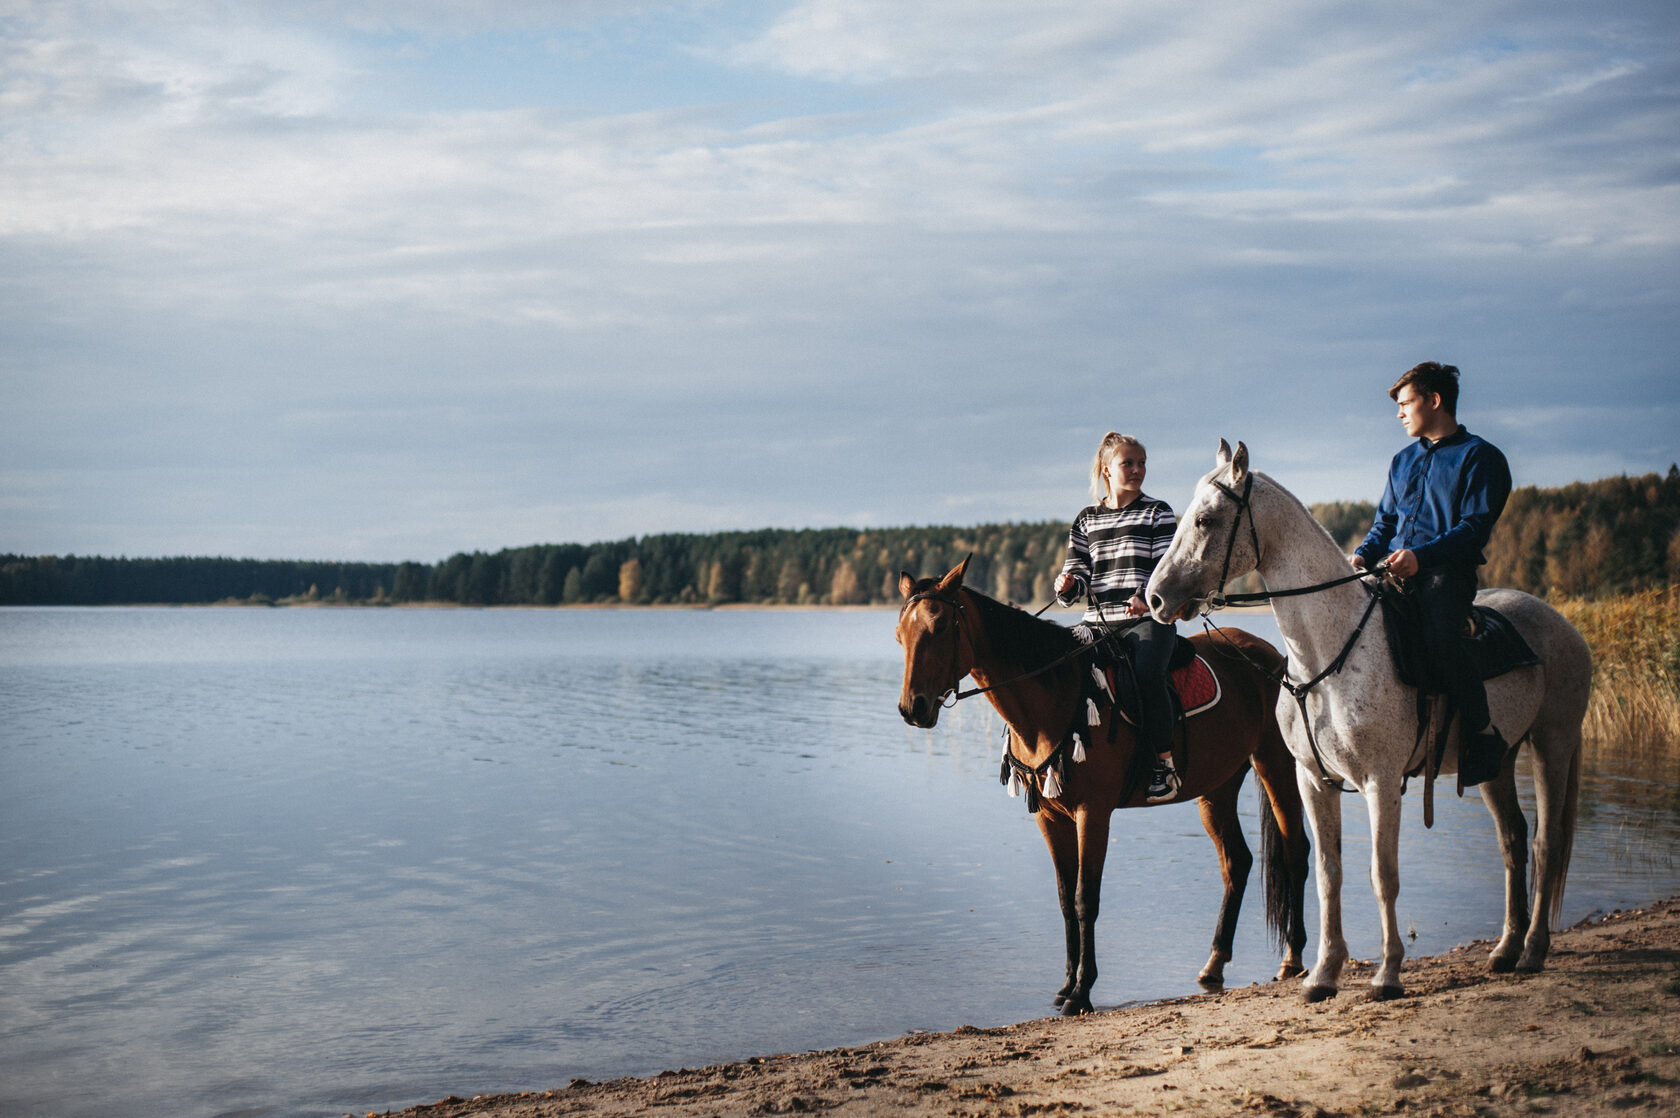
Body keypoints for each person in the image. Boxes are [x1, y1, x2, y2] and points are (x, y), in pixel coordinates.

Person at [1351, 361, 1513, 787]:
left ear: (1435, 401)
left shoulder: (1481, 458)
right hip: (1392, 574)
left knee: (1442, 640)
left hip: (1446, 577)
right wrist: (1363, 557)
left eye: (1406, 403)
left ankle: (1481, 734)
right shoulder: (1402, 460)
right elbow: (1385, 523)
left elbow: (1473, 528)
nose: (1400, 413)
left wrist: (1420, 558)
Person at [1054, 432, 1182, 803]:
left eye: (1142, 463)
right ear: (1107, 470)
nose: (1138, 470)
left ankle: (1164, 764)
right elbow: (1077, 577)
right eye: (1129, 463)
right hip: (1095, 624)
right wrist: (1066, 586)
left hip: (1148, 622)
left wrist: (1147, 600)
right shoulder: (1086, 520)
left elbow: (1166, 570)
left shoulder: (1157, 512)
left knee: (1146, 674)